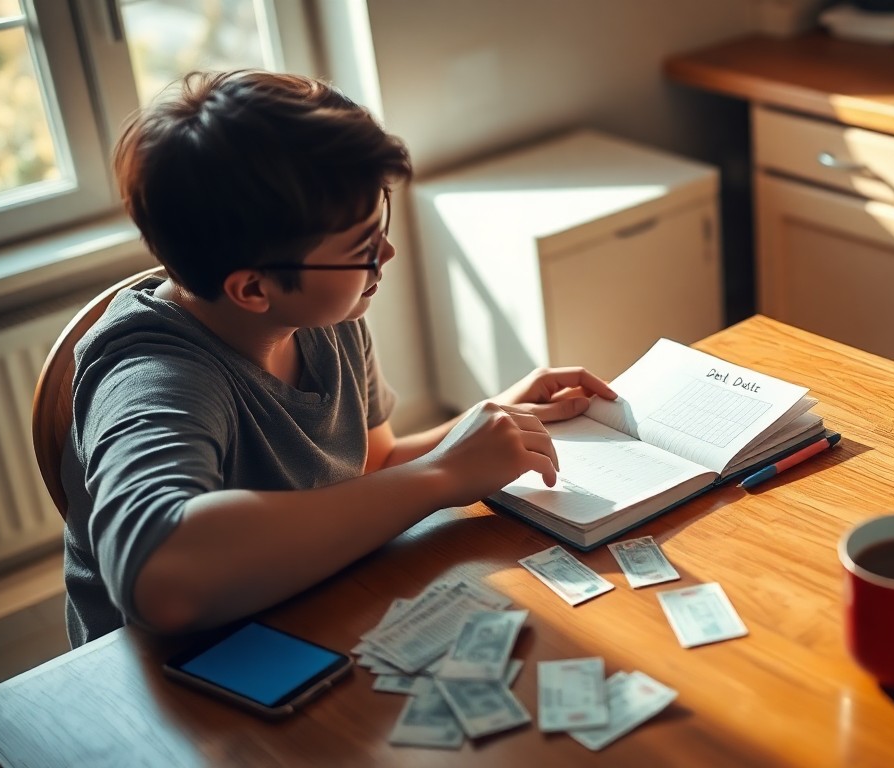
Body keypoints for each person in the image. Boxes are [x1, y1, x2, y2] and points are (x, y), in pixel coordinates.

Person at [61, 70, 616, 646]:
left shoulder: (325, 316)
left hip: (311, 608)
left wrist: (488, 421)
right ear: (252, 288)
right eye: (361, 249)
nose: (387, 253)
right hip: (183, 671)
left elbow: (373, 464)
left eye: (380, 223)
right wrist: (444, 474)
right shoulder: (154, 375)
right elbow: (159, 575)